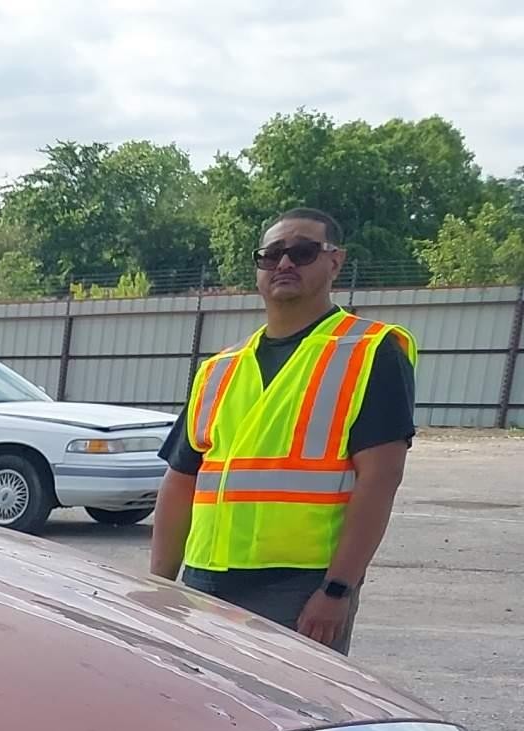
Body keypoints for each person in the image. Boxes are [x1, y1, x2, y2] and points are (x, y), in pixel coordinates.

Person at [148, 209, 416, 654]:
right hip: (204, 577)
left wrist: (337, 591)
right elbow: (181, 480)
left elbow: (381, 478)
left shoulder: (370, 351)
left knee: (288, 716)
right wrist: (160, 584)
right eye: (271, 255)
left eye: (302, 251)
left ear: (335, 262)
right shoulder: (220, 368)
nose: (284, 264)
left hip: (298, 585)